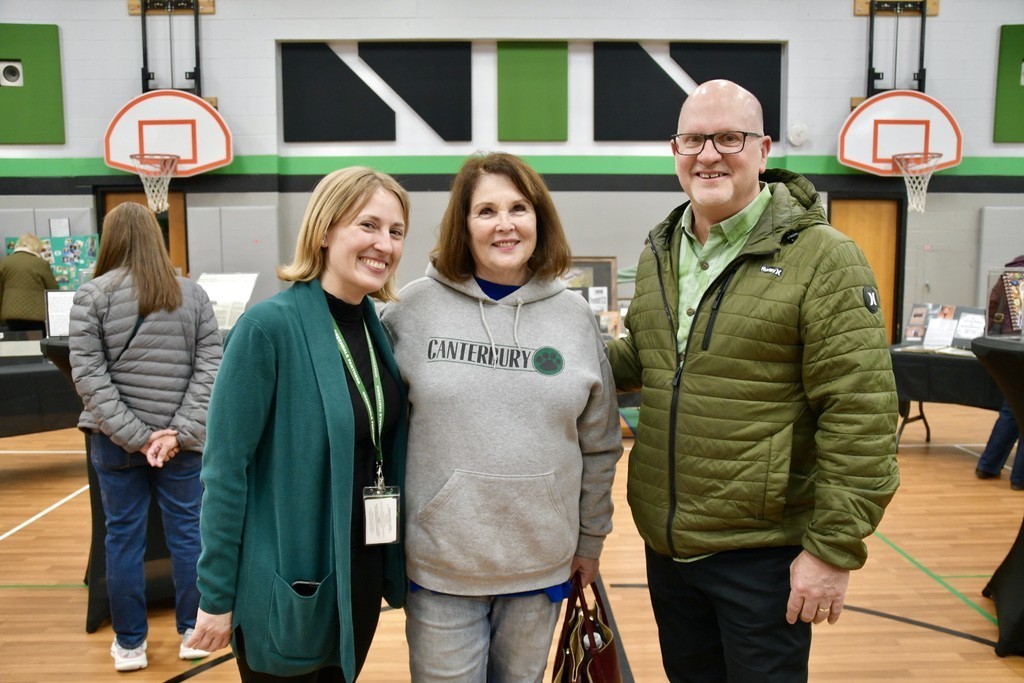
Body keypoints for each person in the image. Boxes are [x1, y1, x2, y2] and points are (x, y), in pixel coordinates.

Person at [606, 80, 900, 682]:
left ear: (763, 150)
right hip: (669, 548)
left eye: (728, 138)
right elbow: (646, 358)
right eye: (693, 139)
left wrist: (831, 550)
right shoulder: (662, 248)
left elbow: (861, 415)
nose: (708, 154)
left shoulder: (824, 258)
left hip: (763, 556)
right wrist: (535, 347)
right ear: (675, 148)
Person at [380, 152, 622, 682]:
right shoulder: (409, 310)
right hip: (441, 568)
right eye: (486, 211)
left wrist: (590, 540)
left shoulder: (575, 318)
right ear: (462, 226)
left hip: (541, 567)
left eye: (519, 208)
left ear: (540, 219)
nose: (505, 224)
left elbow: (600, 444)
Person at [186, 167, 410, 682]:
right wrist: (215, 595)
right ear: (326, 229)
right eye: (368, 225)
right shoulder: (268, 329)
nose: (385, 244)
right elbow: (224, 472)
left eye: (396, 232)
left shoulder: (376, 330)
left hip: (357, 572)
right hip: (291, 581)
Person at [68, 202, 222, 672]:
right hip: (181, 447)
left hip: (114, 446)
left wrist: (134, 437)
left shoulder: (90, 296)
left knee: (122, 539)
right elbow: (212, 368)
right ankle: (192, 633)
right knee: (189, 536)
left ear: (109, 239)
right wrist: (176, 434)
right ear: (156, 238)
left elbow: (89, 378)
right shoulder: (192, 295)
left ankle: (130, 645)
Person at [975, 254, 1024, 489]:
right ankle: (1020, 478)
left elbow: (992, 305)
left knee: (1010, 409)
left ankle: (987, 465)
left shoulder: (1010, 271)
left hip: (1006, 347)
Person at [0, 232, 58, 331]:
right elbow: (53, 289)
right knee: (36, 343)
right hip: (36, 315)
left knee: (17, 343)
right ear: (36, 247)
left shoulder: (4, 262)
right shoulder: (40, 263)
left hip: (10, 314)